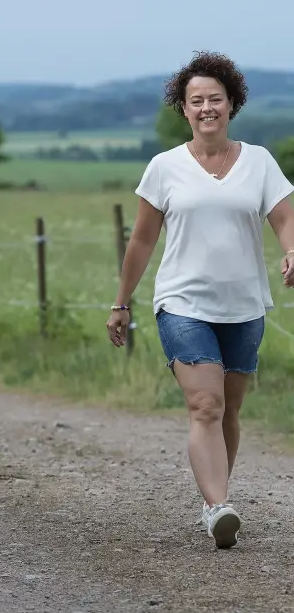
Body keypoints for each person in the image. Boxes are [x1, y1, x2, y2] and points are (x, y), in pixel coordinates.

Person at [106, 51, 294, 550]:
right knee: (205, 404)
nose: (206, 108)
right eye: (196, 101)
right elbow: (142, 240)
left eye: (215, 99)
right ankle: (216, 509)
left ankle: (217, 498)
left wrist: (292, 249)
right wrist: (122, 301)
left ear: (232, 104)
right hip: (182, 302)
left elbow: (283, 217)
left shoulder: (259, 162)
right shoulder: (164, 167)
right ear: (183, 109)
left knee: (229, 410)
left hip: (244, 306)